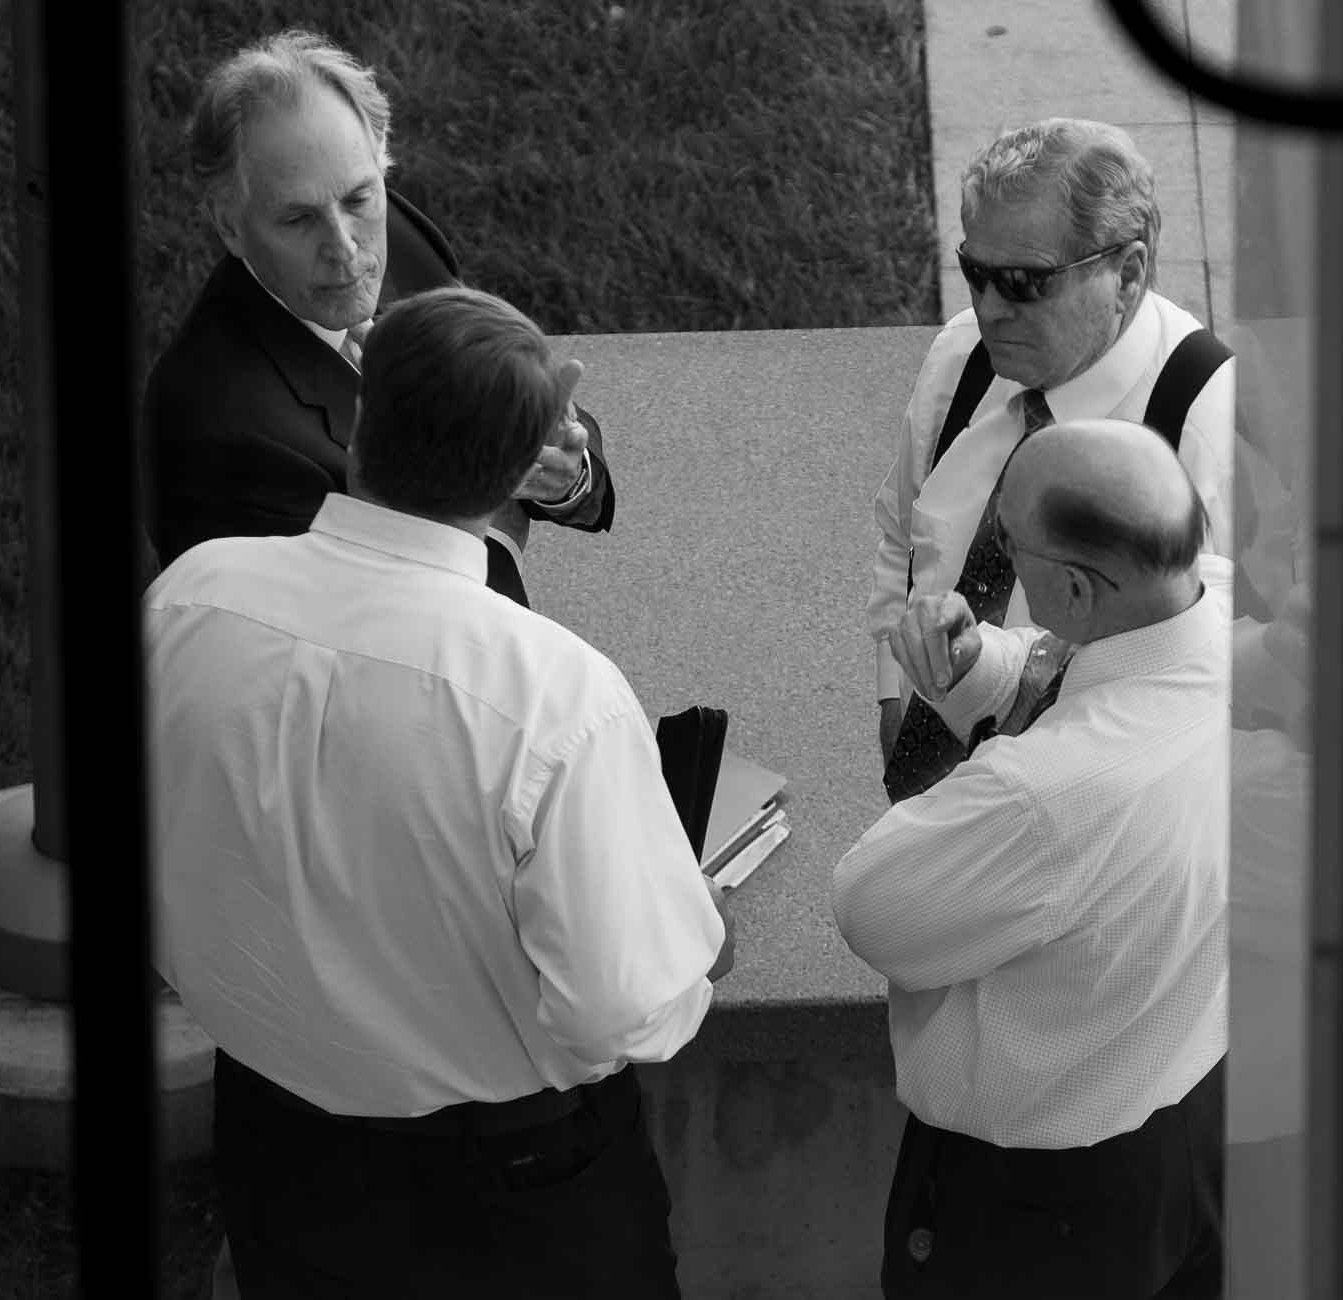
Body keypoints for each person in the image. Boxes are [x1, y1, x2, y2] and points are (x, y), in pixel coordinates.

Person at [144, 286, 728, 1299]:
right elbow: (623, 1016)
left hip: (274, 1147)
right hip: (511, 1196)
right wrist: (695, 928)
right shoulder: (558, 700)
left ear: (361, 419)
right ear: (519, 472)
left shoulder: (186, 599)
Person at [834, 417, 1231, 1299]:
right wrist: (984, 668)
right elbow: (1075, 670)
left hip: (1031, 1210)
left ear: (1079, 591)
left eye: (1009, 539)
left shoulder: (1046, 795)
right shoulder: (1220, 614)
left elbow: (869, 904)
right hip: (1189, 1127)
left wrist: (992, 762)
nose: (994, 551)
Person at [142, 28, 612, 607]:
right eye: (298, 220)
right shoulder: (220, 436)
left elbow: (533, 408)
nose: (344, 247)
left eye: (359, 198)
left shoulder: (402, 240)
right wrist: (494, 505)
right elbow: (366, 644)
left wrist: (568, 480)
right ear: (230, 225)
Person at [868, 117, 1234, 801]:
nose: (988, 310)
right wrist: (896, 697)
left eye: (1023, 282)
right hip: (942, 804)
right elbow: (901, 538)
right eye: (974, 273)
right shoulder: (962, 360)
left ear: (1126, 274)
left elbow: (1221, 686)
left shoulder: (1205, 431)